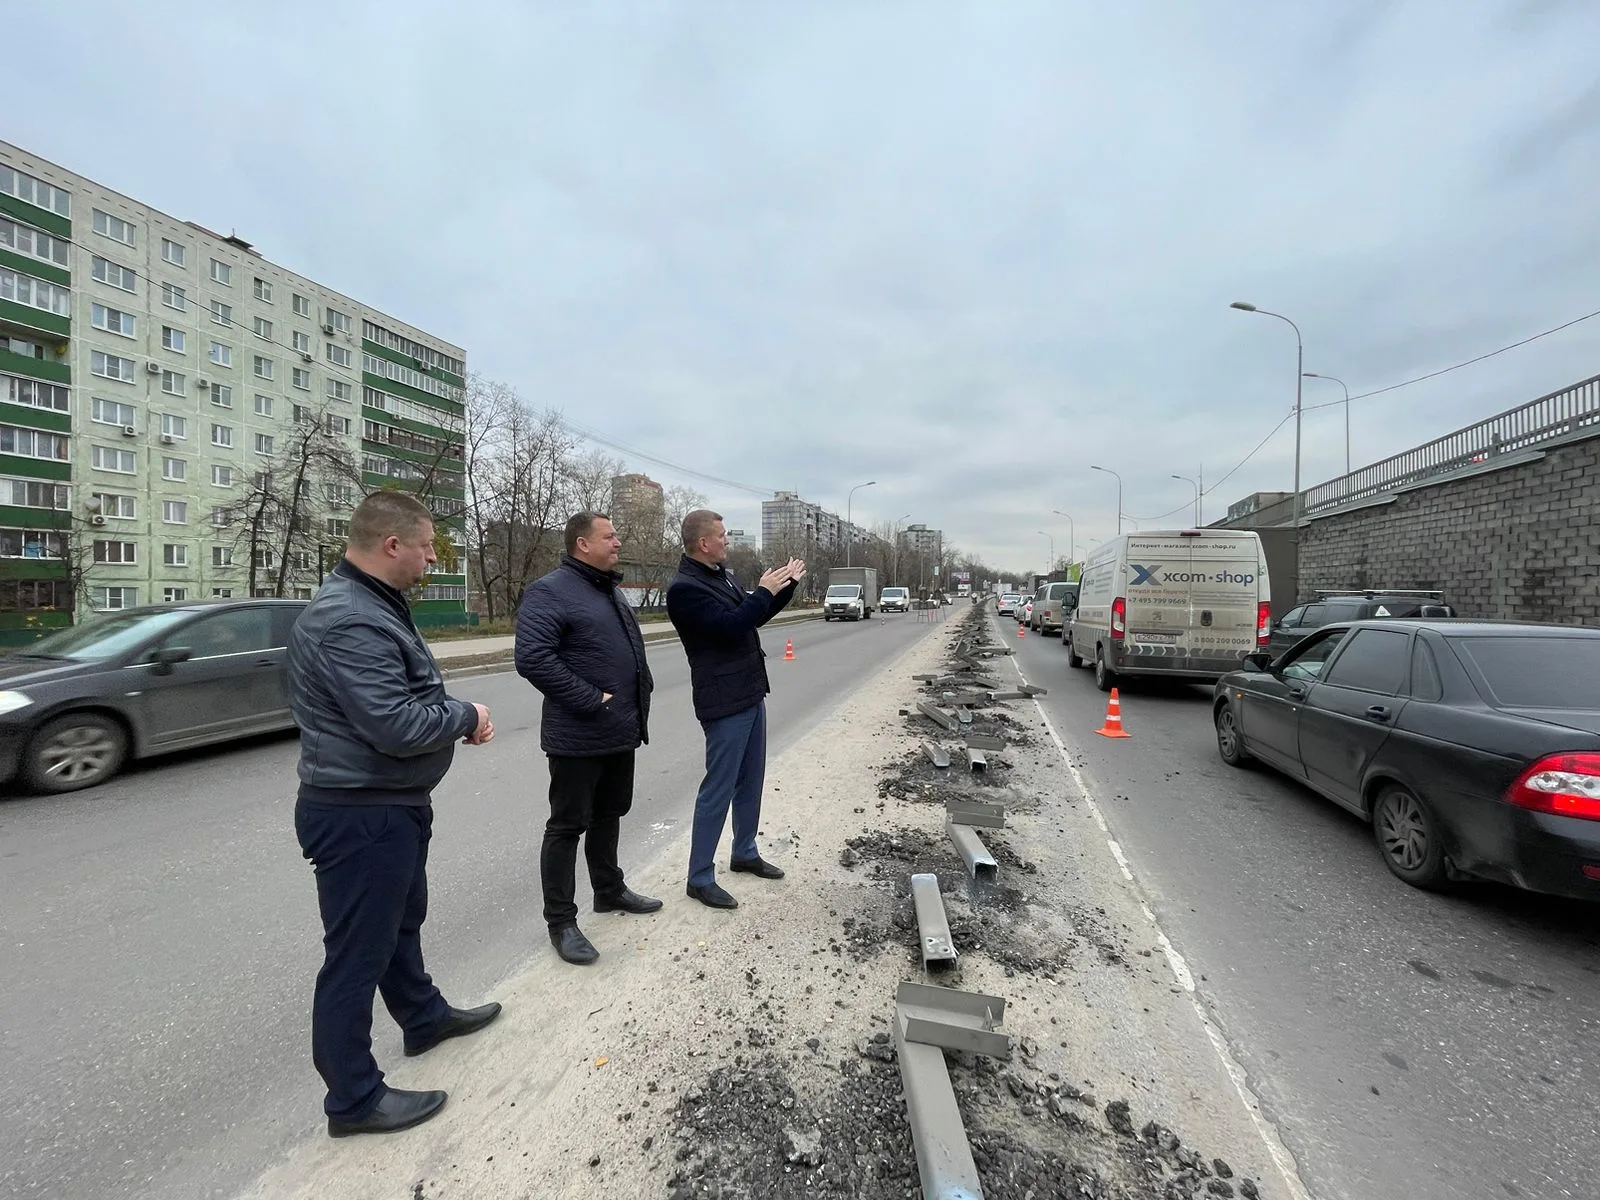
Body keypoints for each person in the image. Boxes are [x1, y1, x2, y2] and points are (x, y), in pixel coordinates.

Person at [290, 491, 501, 1139]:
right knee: (356, 955)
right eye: (428, 546)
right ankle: (354, 1099)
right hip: (361, 812)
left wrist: (450, 721)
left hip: (388, 802)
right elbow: (396, 724)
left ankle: (423, 1018)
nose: (434, 558)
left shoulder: (373, 603)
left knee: (398, 926)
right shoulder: (349, 619)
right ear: (392, 545)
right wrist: (464, 716)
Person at [515, 512, 659, 966]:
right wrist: (591, 698)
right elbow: (532, 658)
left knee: (609, 813)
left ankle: (609, 889)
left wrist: (637, 694)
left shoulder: (608, 589)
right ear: (582, 543)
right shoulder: (549, 591)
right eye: (609, 536)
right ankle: (561, 922)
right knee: (566, 826)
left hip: (618, 728)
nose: (617, 542)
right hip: (577, 734)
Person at [666, 509, 805, 909]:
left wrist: (784, 588)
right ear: (703, 543)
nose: (727, 541)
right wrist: (762, 590)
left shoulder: (720, 576)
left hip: (749, 691)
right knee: (719, 788)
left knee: (750, 780)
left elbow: (751, 618)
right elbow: (729, 627)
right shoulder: (685, 589)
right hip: (723, 701)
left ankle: (744, 852)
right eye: (722, 535)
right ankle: (699, 877)